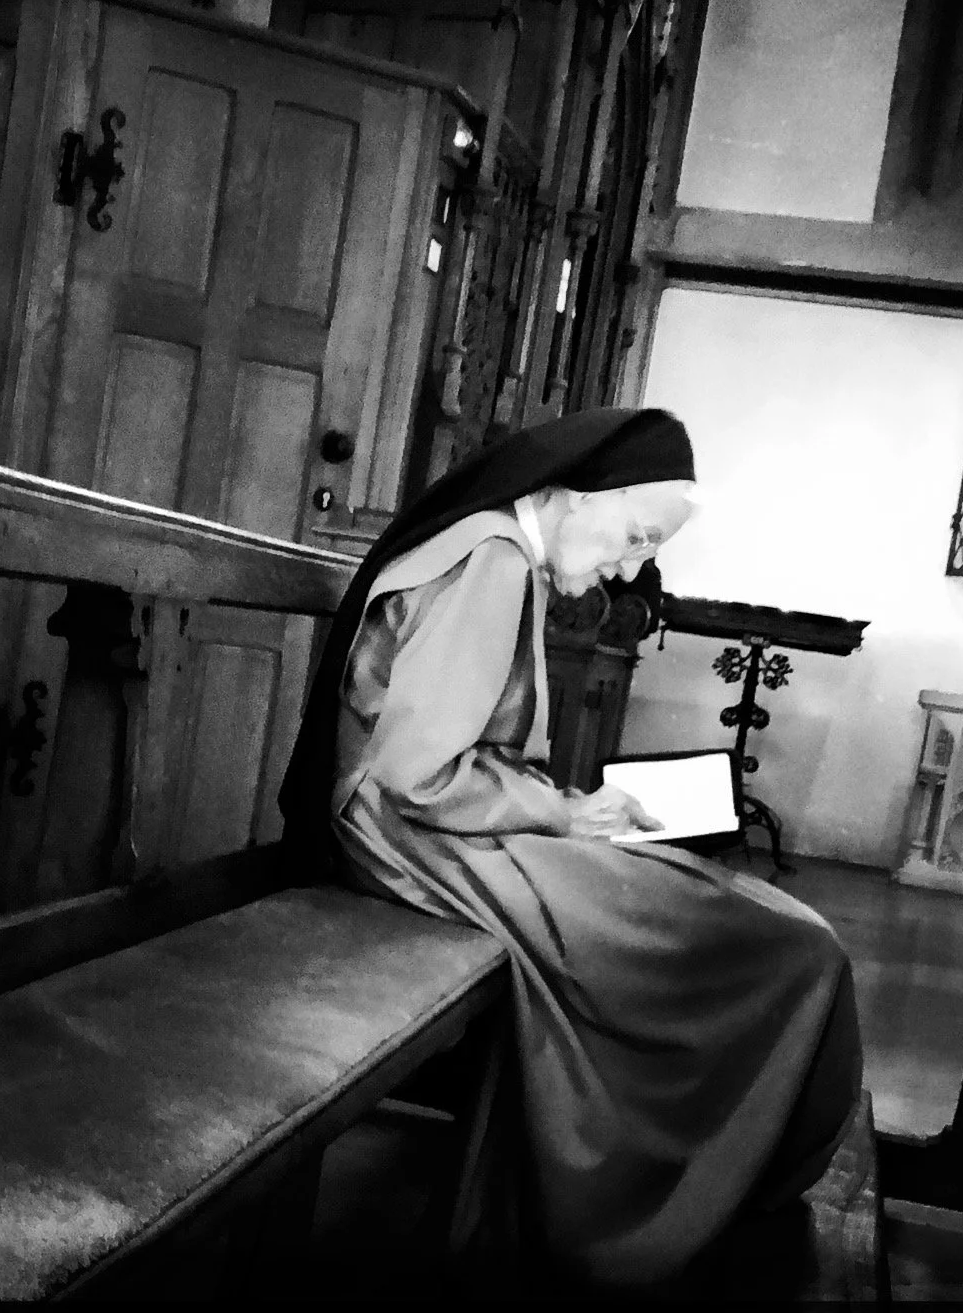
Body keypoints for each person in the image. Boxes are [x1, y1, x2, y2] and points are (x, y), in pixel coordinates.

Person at [279, 408, 862, 1291]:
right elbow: (413, 776)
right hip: (416, 839)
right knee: (777, 945)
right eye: (633, 538)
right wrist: (560, 816)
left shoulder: (498, 552)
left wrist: (567, 806)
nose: (631, 569)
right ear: (570, 493)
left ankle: (706, 1171)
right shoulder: (493, 558)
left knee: (716, 912)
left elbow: (450, 760)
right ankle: (680, 1194)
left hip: (439, 827)